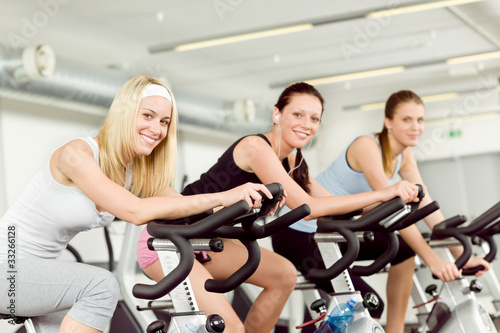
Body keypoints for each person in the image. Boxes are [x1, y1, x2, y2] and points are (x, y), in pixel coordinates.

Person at [137, 82, 420, 333]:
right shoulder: (256, 148)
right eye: (297, 115)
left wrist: (384, 201)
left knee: (284, 274)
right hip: (168, 242)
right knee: (229, 327)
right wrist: (386, 191)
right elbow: (309, 206)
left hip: (210, 241)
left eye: (314, 119)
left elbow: (330, 204)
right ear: (277, 115)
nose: (306, 124)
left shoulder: (294, 163)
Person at [0, 75, 274, 333]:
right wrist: (223, 196)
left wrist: (245, 202)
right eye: (147, 116)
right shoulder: (77, 154)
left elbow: (186, 208)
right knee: (101, 285)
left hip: (39, 274)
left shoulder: (132, 172)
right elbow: (135, 211)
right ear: (124, 113)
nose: (156, 129)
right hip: (8, 267)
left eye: (164, 122)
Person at [285, 89, 492, 333]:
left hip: (338, 235)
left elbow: (427, 208)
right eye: (407, 119)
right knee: (369, 305)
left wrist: (461, 255)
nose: (415, 126)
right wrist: (433, 261)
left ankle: (396, 330)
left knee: (403, 251)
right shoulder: (367, 146)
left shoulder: (404, 155)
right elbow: (394, 214)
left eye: (420, 120)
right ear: (388, 122)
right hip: (301, 236)